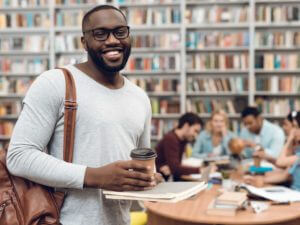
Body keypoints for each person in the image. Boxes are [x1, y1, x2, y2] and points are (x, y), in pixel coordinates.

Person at [6, 5, 162, 225]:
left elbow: (139, 165)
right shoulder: (55, 83)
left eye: (120, 32)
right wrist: (94, 176)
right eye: (100, 33)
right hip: (62, 220)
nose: (112, 41)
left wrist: (149, 179)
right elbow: (19, 156)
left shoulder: (140, 98)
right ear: (84, 42)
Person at [244, 111, 300, 190]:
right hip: (292, 191)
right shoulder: (297, 149)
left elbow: (280, 163)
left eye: (296, 127)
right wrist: (260, 179)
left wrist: (289, 139)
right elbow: (286, 173)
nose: (293, 131)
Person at [155, 112, 203, 181]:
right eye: (195, 131)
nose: (196, 135)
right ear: (186, 126)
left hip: (168, 179)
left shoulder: (183, 140)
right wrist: (199, 170)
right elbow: (175, 169)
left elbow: (175, 167)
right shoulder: (171, 139)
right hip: (161, 180)